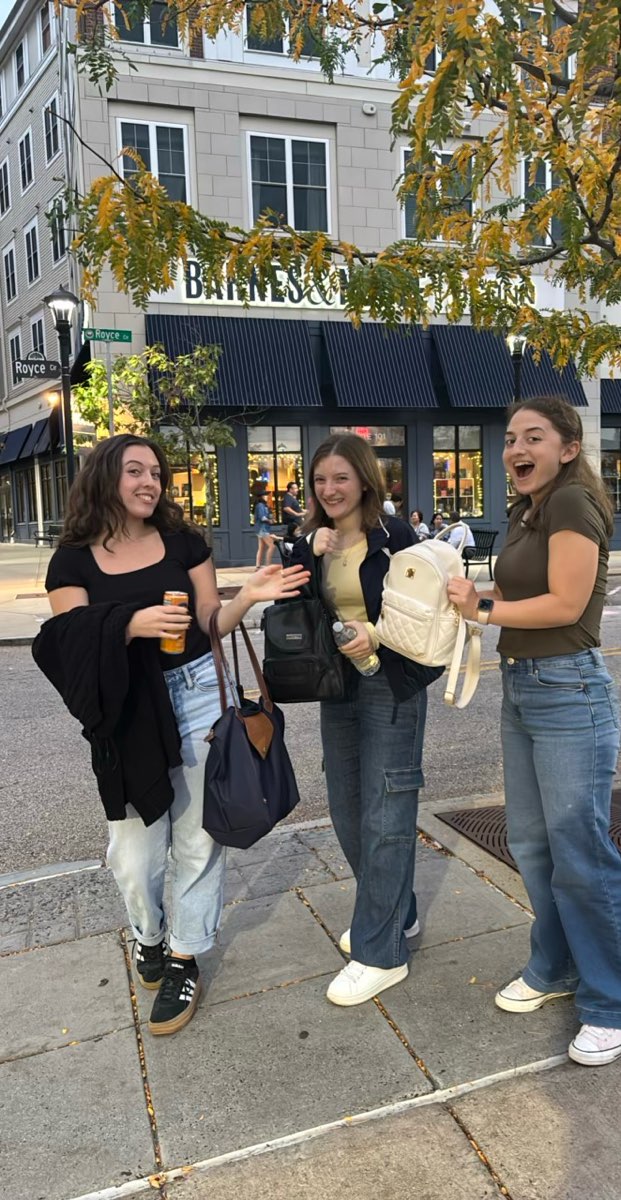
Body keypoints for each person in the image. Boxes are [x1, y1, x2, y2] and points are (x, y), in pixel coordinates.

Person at [33, 435, 309, 1037]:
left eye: (156, 472)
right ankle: (147, 933)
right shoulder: (73, 561)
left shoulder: (184, 543)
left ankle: (184, 954)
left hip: (196, 696)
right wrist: (131, 623)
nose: (148, 482)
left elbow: (210, 621)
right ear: (106, 478)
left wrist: (249, 599)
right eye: (134, 471)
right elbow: (70, 643)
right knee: (134, 854)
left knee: (197, 840)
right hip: (128, 711)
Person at [448, 395, 621, 1068]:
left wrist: (481, 605)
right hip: (523, 684)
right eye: (510, 439)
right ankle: (554, 966)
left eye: (533, 438)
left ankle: (608, 1002)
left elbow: (566, 604)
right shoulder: (528, 512)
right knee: (530, 841)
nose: (515, 449)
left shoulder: (574, 503)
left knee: (578, 851)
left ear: (567, 448)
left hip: (566, 690)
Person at [292, 433, 442, 1007]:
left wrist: (373, 636)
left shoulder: (396, 536)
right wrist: (308, 550)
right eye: (321, 479)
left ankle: (381, 955)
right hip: (336, 684)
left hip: (390, 682)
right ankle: (394, 914)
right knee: (347, 807)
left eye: (340, 478)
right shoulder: (312, 538)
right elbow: (292, 606)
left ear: (363, 481)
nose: (329, 489)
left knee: (386, 808)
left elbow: (425, 615)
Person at [254, 490, 275, 568]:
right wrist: (270, 520)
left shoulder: (262, 505)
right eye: (265, 495)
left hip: (260, 529)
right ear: (262, 497)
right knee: (272, 546)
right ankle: (268, 565)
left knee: (261, 548)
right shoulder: (260, 505)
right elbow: (262, 517)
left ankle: (258, 565)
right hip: (263, 529)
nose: (267, 497)